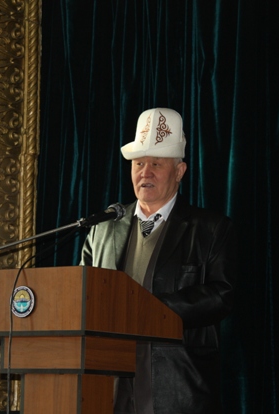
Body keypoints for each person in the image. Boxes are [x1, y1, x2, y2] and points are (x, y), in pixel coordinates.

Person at [80, 108, 237, 414]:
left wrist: (149, 310)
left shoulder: (210, 229)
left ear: (179, 171)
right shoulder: (102, 229)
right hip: (108, 381)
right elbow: (83, 292)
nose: (145, 172)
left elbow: (222, 295)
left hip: (177, 383)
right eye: (139, 163)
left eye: (156, 164)